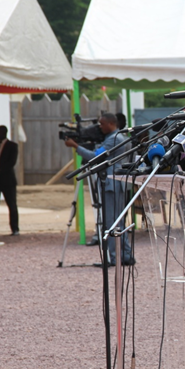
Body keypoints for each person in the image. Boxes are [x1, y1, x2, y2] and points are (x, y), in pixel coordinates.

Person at [65, 113, 133, 265]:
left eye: (102, 124)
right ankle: (126, 255)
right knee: (118, 221)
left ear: (111, 124)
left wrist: (76, 146)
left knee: (111, 222)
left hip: (111, 184)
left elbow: (95, 156)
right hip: (117, 183)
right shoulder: (119, 137)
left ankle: (115, 258)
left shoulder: (114, 139)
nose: (100, 127)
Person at [0, 125, 19, 235]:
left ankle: (15, 228)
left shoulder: (12, 146)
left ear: (4, 133)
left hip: (8, 180)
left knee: (11, 205)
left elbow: (12, 162)